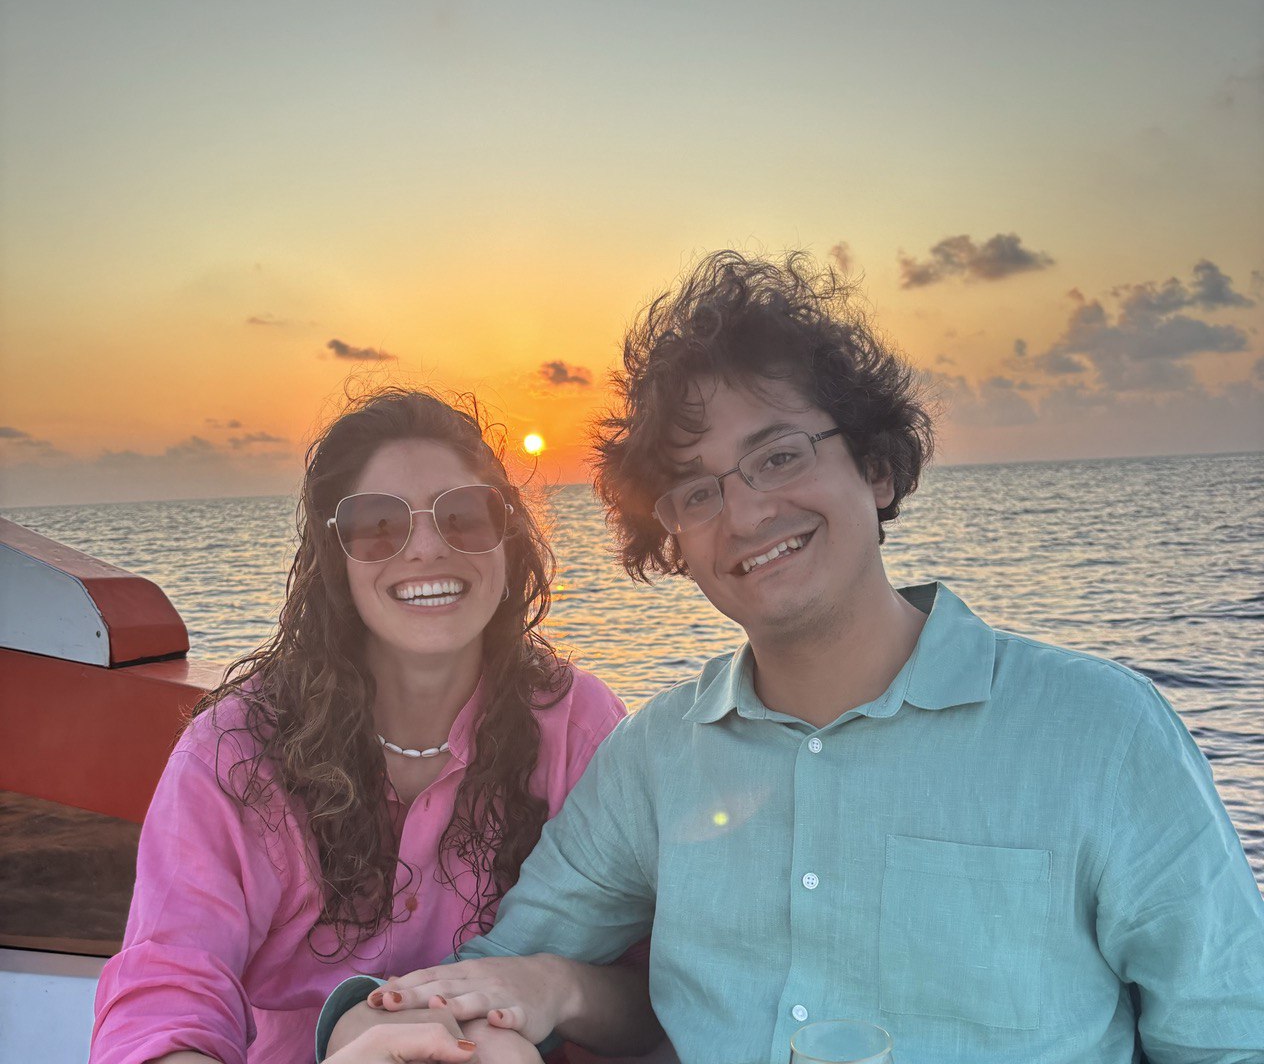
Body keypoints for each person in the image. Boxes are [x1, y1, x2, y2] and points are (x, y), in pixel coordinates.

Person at [327, 253, 1264, 1063]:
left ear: (877, 467)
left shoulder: (1100, 733)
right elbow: (501, 968)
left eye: (779, 457)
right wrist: (369, 1024)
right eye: (696, 492)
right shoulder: (656, 760)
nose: (744, 513)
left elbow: (1229, 1033)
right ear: (672, 541)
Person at [90, 388, 645, 1064]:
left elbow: (657, 995)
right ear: (335, 560)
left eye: (464, 516)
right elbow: (168, 995)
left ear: (508, 539)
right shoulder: (236, 752)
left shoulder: (579, 728)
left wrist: (557, 984)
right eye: (379, 524)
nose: (427, 548)